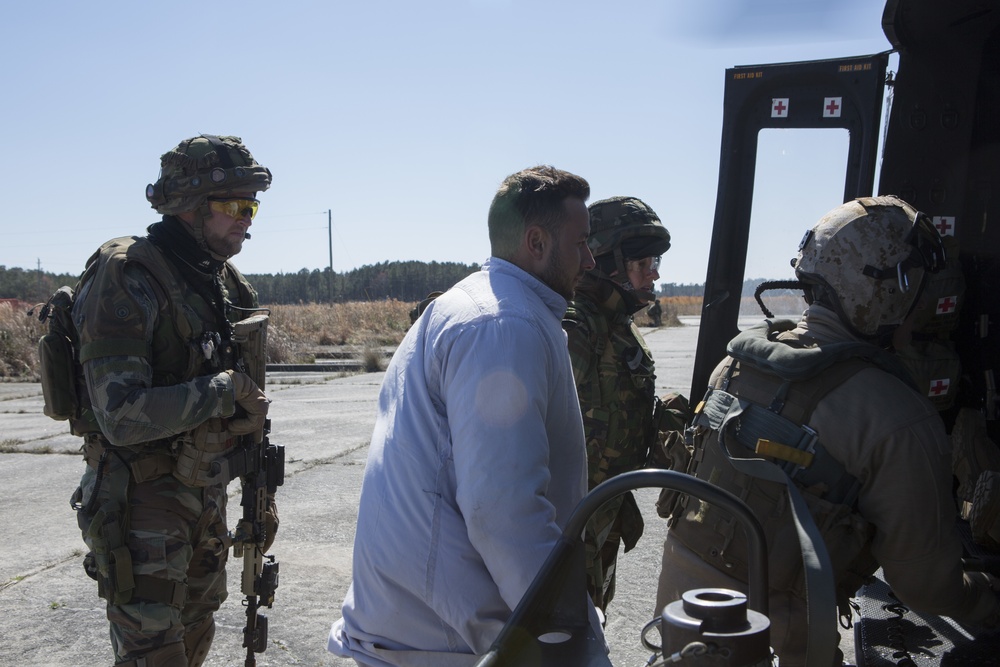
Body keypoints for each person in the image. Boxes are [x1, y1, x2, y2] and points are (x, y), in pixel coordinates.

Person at [655, 196, 1000, 666]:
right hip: (777, 639)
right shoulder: (896, 414)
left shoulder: (736, 364)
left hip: (679, 622)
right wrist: (987, 599)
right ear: (892, 290)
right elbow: (924, 586)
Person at [328, 165, 601, 666]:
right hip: (442, 642)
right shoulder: (503, 327)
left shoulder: (476, 307)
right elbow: (501, 509)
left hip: (419, 627)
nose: (589, 258)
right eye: (581, 242)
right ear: (536, 242)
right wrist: (568, 638)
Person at [70, 135, 275, 667]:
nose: (247, 219)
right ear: (188, 205)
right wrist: (223, 391)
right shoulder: (128, 276)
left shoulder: (224, 282)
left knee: (194, 640)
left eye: (251, 206)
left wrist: (256, 482)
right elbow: (121, 416)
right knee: (154, 656)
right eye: (234, 206)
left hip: (204, 494)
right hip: (140, 505)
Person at [562, 196, 687, 614]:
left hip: (602, 518)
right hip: (568, 529)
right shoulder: (577, 326)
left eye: (654, 261)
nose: (654, 273)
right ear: (605, 262)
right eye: (643, 262)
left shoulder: (616, 325)